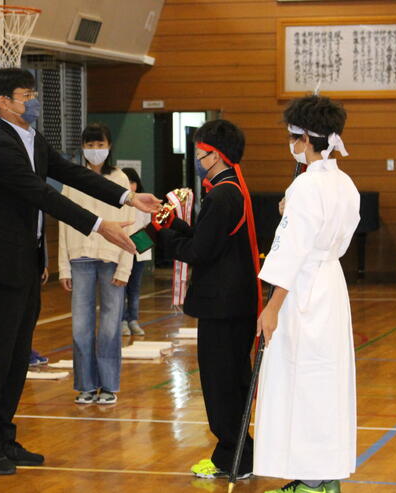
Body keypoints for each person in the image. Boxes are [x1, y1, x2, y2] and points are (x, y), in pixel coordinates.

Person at [0, 67, 160, 475]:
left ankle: (4, 436)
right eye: (27, 95)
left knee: (18, 355)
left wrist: (128, 198)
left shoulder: (32, 139)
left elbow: (72, 173)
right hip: (1, 266)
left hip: (26, 263)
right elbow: (43, 195)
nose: (34, 102)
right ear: (4, 102)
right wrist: (100, 226)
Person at [254, 95, 359, 493]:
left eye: (292, 137)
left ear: (303, 139)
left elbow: (292, 252)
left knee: (302, 380)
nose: (291, 144)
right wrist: (291, 211)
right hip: (330, 283)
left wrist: (272, 307)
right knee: (324, 380)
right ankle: (323, 475)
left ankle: (312, 482)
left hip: (303, 291)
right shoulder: (344, 183)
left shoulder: (306, 185)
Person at [156, 119, 262, 481]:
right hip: (234, 304)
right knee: (231, 381)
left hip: (223, 306)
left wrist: (162, 236)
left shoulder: (222, 195)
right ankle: (239, 454)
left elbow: (199, 251)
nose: (197, 158)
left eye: (200, 152)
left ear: (214, 155)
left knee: (222, 385)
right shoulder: (231, 188)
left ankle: (233, 458)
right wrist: (173, 224)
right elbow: (208, 238)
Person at [58, 123, 135, 405]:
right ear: (82, 148)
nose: (94, 150)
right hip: (80, 260)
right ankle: (86, 385)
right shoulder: (72, 179)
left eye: (99, 144)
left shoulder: (120, 178)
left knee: (110, 327)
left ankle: (109, 386)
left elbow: (130, 225)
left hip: (112, 259)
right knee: (81, 326)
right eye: (89, 145)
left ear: (109, 146)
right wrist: (63, 267)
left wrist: (125, 267)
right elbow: (64, 222)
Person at [121, 167, 151, 337]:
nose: (131, 186)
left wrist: (139, 243)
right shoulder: (118, 202)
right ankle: (122, 321)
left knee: (135, 287)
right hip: (122, 246)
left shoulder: (144, 202)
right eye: (127, 182)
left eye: (133, 182)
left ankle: (133, 319)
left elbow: (146, 225)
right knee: (122, 287)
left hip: (140, 245)